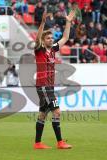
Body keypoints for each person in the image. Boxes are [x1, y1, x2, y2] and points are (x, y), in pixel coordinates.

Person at [33, 10, 75, 149]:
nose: (51, 39)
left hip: (49, 86)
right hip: (43, 85)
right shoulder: (39, 49)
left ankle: (38, 143)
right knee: (57, 112)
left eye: (51, 38)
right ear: (43, 41)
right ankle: (60, 142)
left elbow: (65, 38)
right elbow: (37, 38)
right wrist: (43, 22)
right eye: (48, 38)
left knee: (42, 114)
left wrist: (68, 22)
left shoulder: (52, 50)